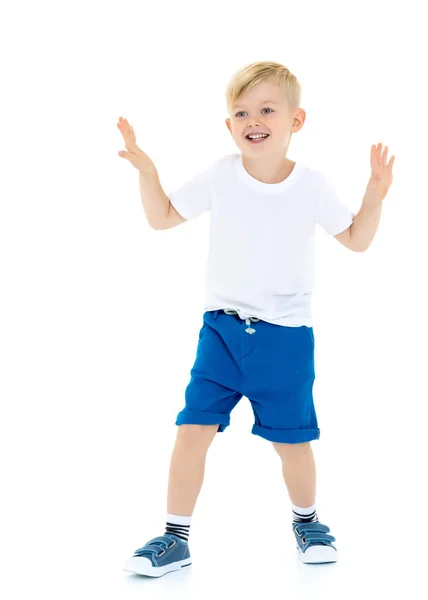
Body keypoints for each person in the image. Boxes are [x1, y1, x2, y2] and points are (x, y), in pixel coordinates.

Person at [118, 61, 394, 577]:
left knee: (293, 442)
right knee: (191, 431)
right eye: (241, 112)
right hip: (220, 333)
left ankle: (308, 522)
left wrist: (374, 196)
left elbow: (356, 240)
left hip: (285, 339)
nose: (253, 119)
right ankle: (175, 537)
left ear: (297, 120)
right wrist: (148, 173)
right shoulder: (221, 174)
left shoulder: (311, 184)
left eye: (267, 109)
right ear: (229, 125)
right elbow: (162, 219)